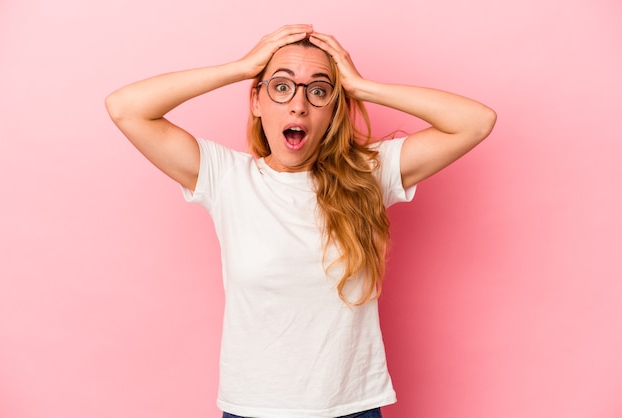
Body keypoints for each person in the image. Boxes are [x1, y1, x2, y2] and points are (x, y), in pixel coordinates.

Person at [105, 24, 496, 418]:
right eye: (281, 86)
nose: (298, 105)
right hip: (253, 409)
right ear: (256, 101)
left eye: (319, 90)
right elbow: (126, 107)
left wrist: (361, 87)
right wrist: (241, 68)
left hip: (351, 408)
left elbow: (475, 121)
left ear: (333, 109)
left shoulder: (368, 173)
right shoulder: (226, 178)